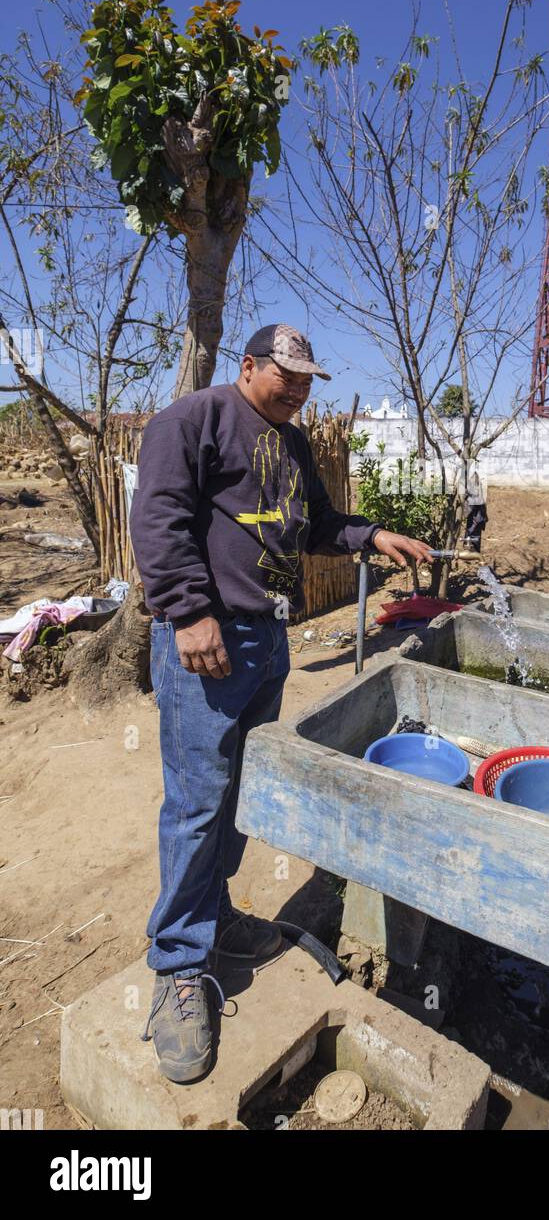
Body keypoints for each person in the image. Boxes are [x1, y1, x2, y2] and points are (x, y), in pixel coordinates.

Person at [129, 324, 432, 1082]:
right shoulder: (191, 421)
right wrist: (189, 613)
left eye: (306, 378)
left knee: (239, 791)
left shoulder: (292, 446)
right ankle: (177, 968)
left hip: (266, 638)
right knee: (198, 799)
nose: (296, 388)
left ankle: (217, 915)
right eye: (284, 374)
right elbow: (158, 520)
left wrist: (374, 536)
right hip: (207, 639)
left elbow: (319, 526)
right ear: (248, 366)